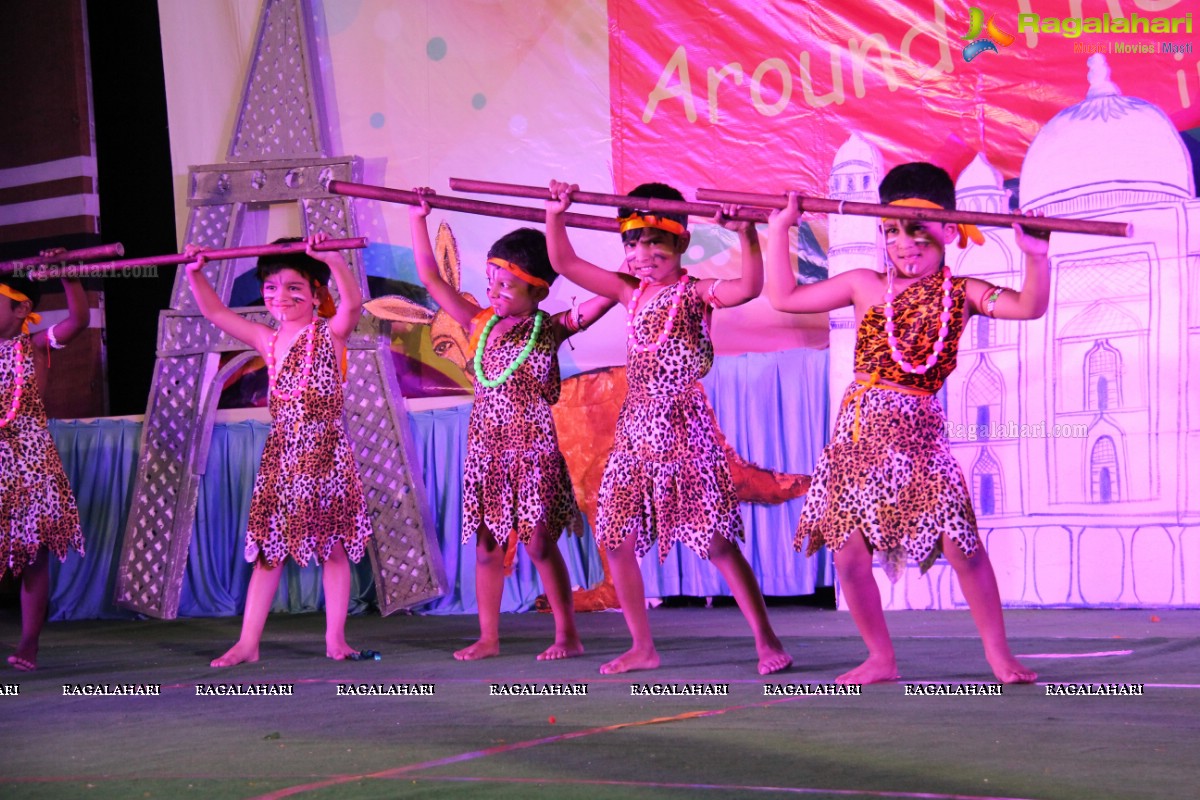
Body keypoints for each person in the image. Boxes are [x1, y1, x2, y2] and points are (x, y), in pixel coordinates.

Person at [765, 162, 1048, 684]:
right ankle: (880, 658)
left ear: (949, 229)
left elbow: (1030, 306)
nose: (904, 244)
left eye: (918, 229)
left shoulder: (961, 293)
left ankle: (999, 655)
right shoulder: (863, 285)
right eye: (891, 230)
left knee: (965, 548)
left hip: (918, 436)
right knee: (848, 555)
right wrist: (781, 228)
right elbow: (784, 298)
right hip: (856, 437)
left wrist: (1036, 256)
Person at [545, 180, 791, 676]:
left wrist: (746, 235)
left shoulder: (696, 292)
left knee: (717, 543)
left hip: (683, 430)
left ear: (682, 243)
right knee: (613, 536)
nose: (642, 254)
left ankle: (766, 639)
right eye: (632, 243)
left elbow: (749, 288)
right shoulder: (627, 291)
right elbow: (565, 264)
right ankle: (642, 646)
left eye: (655, 242)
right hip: (635, 429)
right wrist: (556, 214)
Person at [408, 190, 614, 661]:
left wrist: (622, 258)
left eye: (508, 287)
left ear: (539, 291)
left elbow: (611, 294)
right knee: (487, 546)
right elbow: (429, 277)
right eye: (491, 283)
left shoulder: (551, 327)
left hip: (534, 451)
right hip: (487, 452)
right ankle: (488, 637)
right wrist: (420, 218)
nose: (495, 294)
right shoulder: (479, 322)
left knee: (540, 542)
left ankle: (567, 634)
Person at [185, 233, 373, 667]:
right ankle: (248, 644)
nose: (280, 296)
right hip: (283, 458)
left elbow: (353, 305)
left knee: (333, 548)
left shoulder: (331, 333)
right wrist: (195, 272)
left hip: (326, 455)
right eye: (271, 287)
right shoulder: (265, 340)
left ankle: (336, 640)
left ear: (314, 294)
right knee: (270, 550)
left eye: (294, 287)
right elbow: (214, 311)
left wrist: (331, 259)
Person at [1, 268, 89, 671]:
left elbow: (78, 321)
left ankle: (29, 643)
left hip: (30, 460)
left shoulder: (34, 346)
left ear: (23, 308)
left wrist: (68, 273)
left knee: (34, 555)